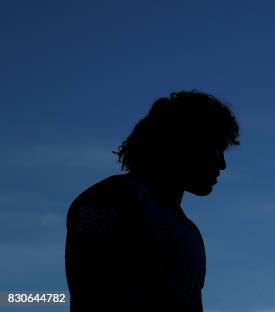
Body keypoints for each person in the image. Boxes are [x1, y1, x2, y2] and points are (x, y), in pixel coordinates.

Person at [64, 90, 240, 312]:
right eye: (217, 150)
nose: (222, 164)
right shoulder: (112, 200)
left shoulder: (188, 231)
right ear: (187, 144)